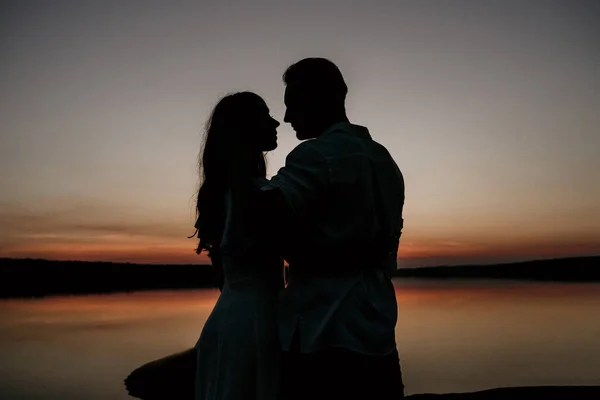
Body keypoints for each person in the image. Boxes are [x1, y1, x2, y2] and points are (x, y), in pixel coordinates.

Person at [237, 58, 406, 400]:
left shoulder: (315, 155)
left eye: (292, 105)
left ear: (320, 100)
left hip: (323, 332)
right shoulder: (384, 160)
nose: (286, 118)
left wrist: (235, 156)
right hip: (378, 330)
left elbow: (261, 211)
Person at [191, 91, 284, 400]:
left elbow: (222, 275)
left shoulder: (217, 195)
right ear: (244, 128)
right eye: (265, 115)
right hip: (259, 324)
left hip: (225, 319)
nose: (276, 122)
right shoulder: (263, 195)